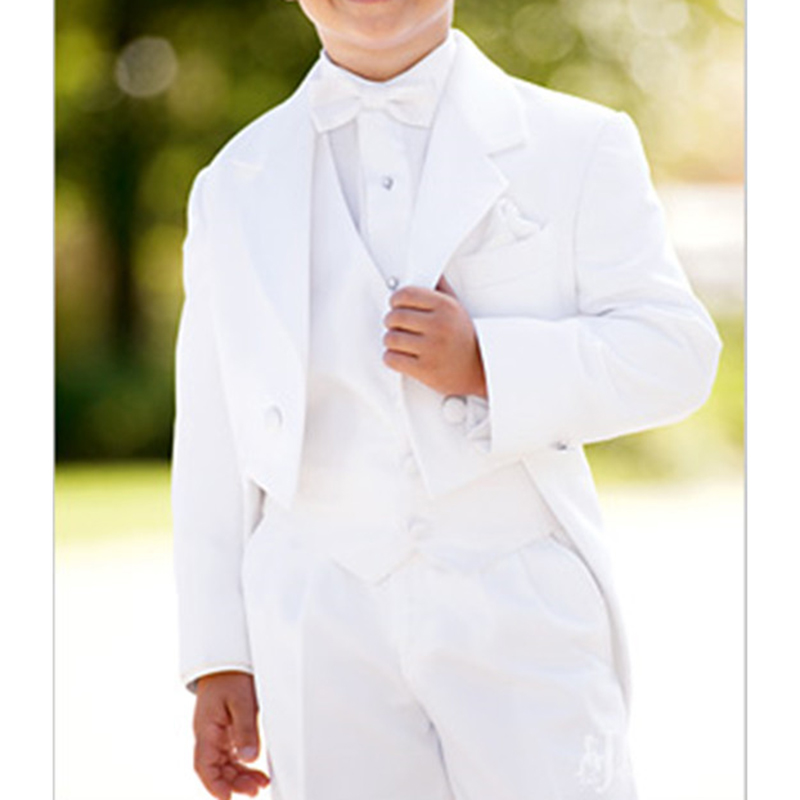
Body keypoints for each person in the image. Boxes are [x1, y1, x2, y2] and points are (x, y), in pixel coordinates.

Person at [172, 1, 721, 799]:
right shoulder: (233, 183)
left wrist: (486, 363)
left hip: (519, 599)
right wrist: (219, 654)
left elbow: (677, 354)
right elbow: (212, 430)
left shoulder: (578, 141)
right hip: (316, 612)